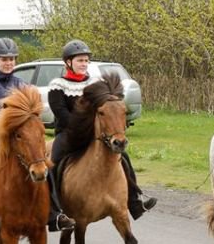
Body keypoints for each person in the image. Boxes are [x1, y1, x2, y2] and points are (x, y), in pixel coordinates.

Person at [0, 37, 75, 239]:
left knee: (44, 164)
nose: (8, 63)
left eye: (11, 59)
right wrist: (3, 121)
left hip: (18, 140)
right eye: (4, 59)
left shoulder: (22, 85)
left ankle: (55, 214)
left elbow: (32, 113)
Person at [48, 39, 157, 220]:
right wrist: (82, 127)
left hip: (94, 135)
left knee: (124, 158)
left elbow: (106, 108)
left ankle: (135, 202)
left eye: (85, 60)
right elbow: (60, 113)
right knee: (53, 163)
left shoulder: (95, 83)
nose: (83, 64)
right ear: (68, 62)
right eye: (79, 60)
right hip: (68, 135)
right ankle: (54, 212)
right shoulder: (57, 84)